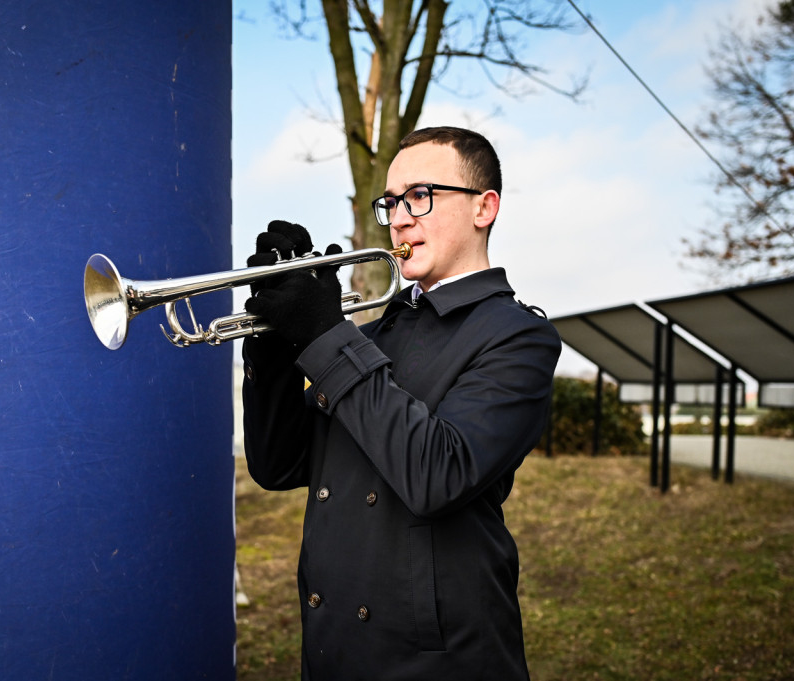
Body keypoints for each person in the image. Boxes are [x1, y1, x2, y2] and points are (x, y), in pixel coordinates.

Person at [240, 126, 560, 680]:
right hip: (332, 647)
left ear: (484, 208)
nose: (400, 216)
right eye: (391, 201)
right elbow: (280, 464)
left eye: (420, 195)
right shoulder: (377, 332)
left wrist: (323, 331)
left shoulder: (517, 336)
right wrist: (276, 342)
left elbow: (438, 473)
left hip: (433, 658)